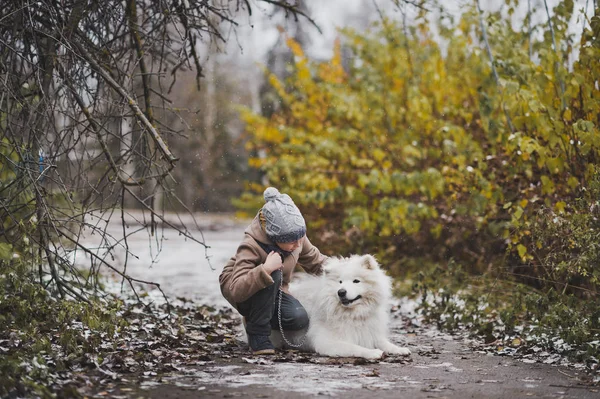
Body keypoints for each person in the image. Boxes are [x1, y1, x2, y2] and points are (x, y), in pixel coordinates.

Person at [219, 187, 328, 355]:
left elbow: (316, 261)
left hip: (275, 289)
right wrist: (265, 269)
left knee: (298, 318)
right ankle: (257, 333)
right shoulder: (251, 244)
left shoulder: (296, 236)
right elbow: (236, 290)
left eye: (301, 238)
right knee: (273, 272)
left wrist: (343, 270)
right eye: (292, 241)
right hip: (241, 286)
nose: (298, 244)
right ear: (276, 238)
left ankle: (260, 314)